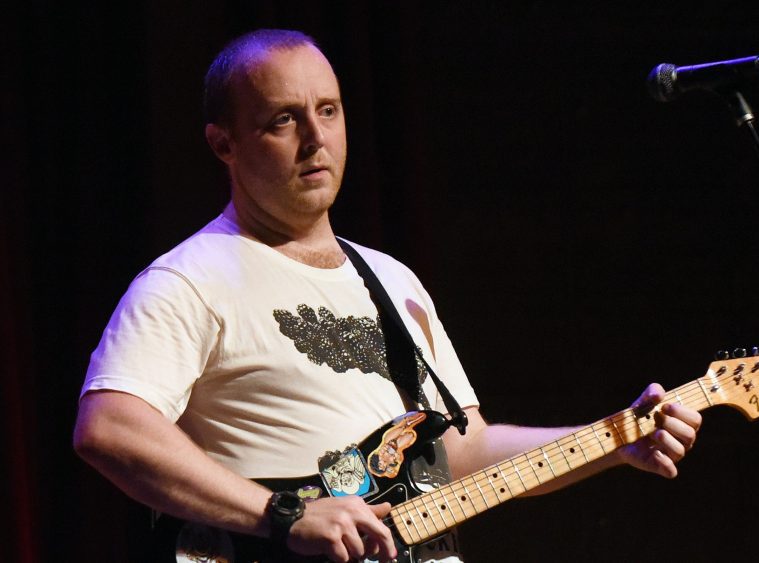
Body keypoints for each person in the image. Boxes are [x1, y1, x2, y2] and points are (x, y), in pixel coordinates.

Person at [73, 29, 702, 563]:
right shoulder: (190, 280)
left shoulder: (393, 280)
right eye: (284, 119)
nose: (316, 139)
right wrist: (285, 513)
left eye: (329, 110)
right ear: (224, 144)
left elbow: (465, 450)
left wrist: (614, 441)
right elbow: (110, 429)